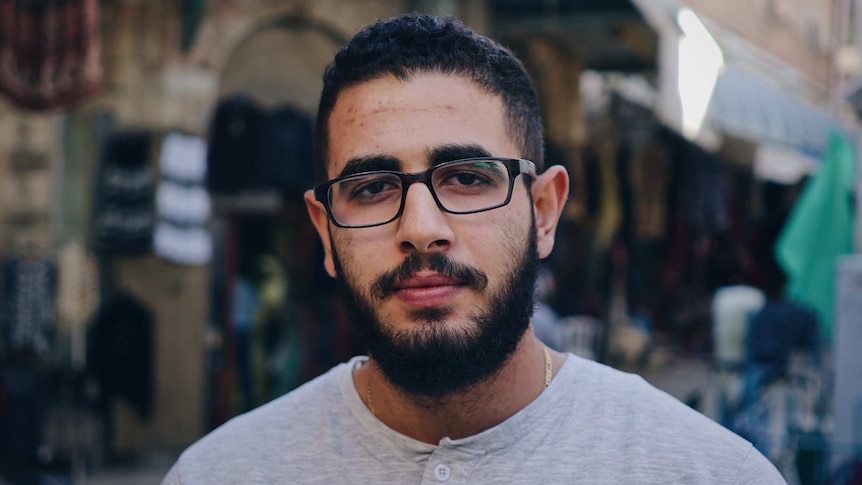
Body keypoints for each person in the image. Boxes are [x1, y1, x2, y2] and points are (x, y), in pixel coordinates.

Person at [163, 13, 785, 484]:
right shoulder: (221, 473)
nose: (421, 228)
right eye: (373, 187)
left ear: (543, 212)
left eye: (467, 178)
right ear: (324, 232)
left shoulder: (704, 473)